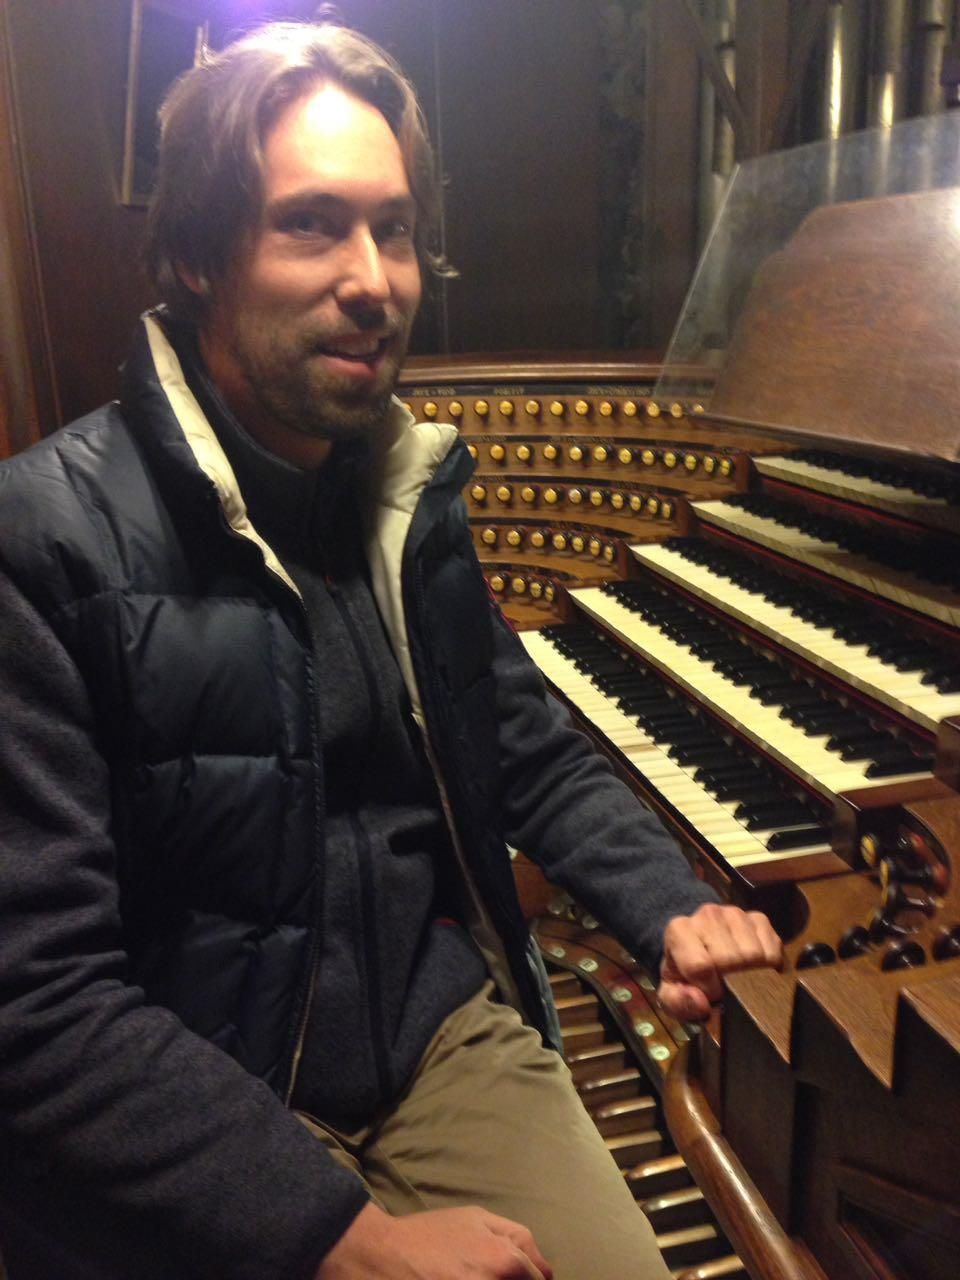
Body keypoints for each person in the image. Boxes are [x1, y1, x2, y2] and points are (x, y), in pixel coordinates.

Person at [0, 20, 782, 1280]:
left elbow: (524, 745)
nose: (374, 279)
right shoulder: (44, 541)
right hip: (210, 1086)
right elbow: (34, 998)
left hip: (435, 1038)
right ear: (198, 254)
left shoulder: (402, 500)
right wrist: (342, 1237)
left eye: (396, 228)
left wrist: (671, 904)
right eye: (312, 225)